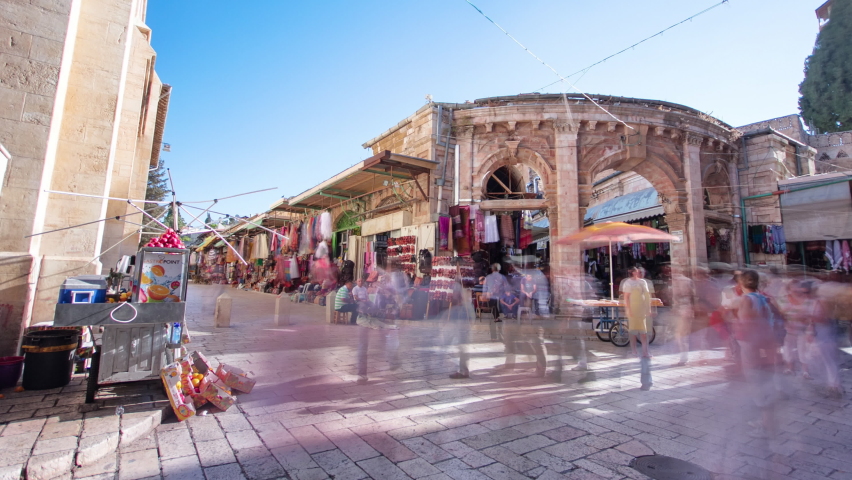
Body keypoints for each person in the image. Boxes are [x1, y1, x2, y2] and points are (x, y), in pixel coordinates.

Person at [735, 270, 780, 438]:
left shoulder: (747, 299)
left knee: (757, 383)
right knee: (764, 382)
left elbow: (747, 323)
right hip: (766, 343)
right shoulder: (763, 298)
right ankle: (767, 422)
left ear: (741, 284)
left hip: (752, 345)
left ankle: (767, 427)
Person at [622, 267, 652, 358]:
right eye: (635, 271)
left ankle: (645, 352)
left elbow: (647, 295)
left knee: (644, 331)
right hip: (633, 308)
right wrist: (628, 309)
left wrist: (648, 308)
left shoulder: (643, 282)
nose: (637, 272)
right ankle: (634, 351)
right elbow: (626, 297)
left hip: (641, 309)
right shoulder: (628, 283)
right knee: (633, 331)